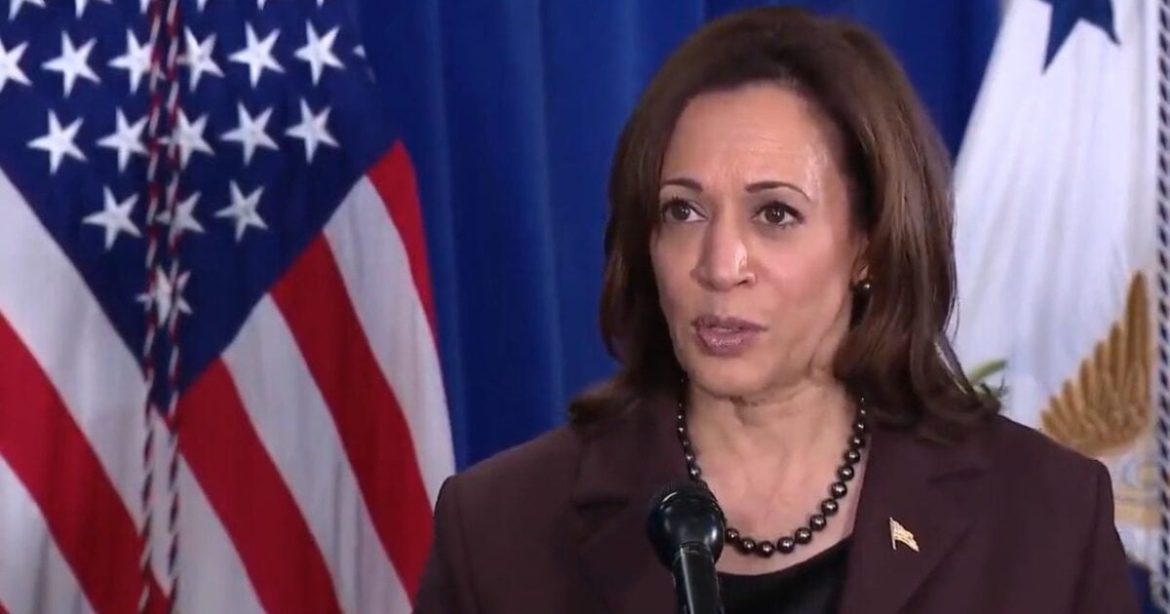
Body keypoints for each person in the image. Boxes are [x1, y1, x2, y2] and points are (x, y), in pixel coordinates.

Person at [413, 7, 1140, 613]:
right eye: (683, 211)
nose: (720, 265)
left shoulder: (1042, 517)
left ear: (870, 245)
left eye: (775, 214)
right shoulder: (501, 529)